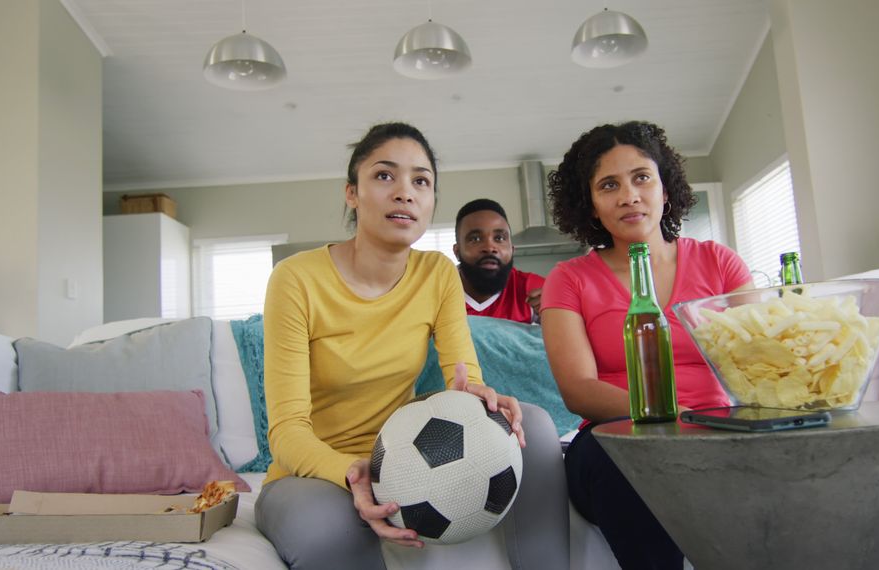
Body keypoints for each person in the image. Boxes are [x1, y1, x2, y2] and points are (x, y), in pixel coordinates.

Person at [255, 123, 568, 570]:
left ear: (431, 201)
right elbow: (286, 433)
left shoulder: (437, 272)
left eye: (421, 181)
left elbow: (465, 377)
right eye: (385, 176)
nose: (405, 193)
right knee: (331, 529)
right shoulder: (296, 278)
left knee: (533, 428)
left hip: (403, 459)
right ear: (352, 193)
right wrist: (350, 471)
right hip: (311, 473)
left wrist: (480, 398)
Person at [539, 120, 754, 569]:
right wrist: (671, 421)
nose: (629, 195)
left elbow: (759, 361)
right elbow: (578, 389)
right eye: (609, 185)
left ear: (665, 188)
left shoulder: (719, 262)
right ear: (591, 206)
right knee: (617, 459)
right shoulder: (570, 279)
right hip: (617, 443)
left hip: (718, 436)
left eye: (641, 178)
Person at [453, 198, 545, 324]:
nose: (490, 247)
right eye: (475, 239)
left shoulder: (532, 288)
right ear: (457, 251)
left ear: (512, 249)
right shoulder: (435, 292)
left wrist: (554, 315)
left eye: (499, 238)